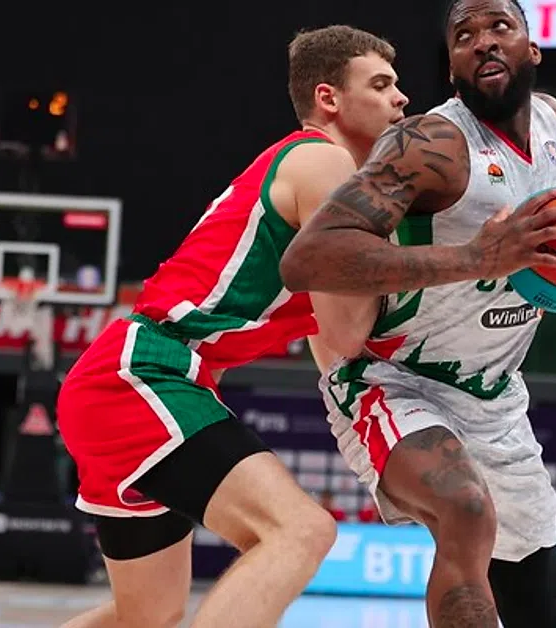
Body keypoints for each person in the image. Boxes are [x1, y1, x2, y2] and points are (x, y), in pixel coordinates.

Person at [280, 2, 556, 625]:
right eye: (464, 36)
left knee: (538, 610)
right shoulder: (430, 144)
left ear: (532, 49)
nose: (483, 42)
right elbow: (310, 258)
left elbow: (555, 238)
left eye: (500, 27)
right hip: (394, 379)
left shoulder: (554, 124)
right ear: (452, 69)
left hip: (495, 395)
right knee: (465, 508)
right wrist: (475, 258)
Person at [56, 25, 408, 628]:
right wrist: (470, 260)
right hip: (148, 374)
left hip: (126, 379)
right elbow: (350, 330)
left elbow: (334, 346)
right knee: (299, 531)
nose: (401, 97)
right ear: (328, 98)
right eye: (380, 84)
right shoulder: (324, 160)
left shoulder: (314, 175)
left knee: (148, 616)